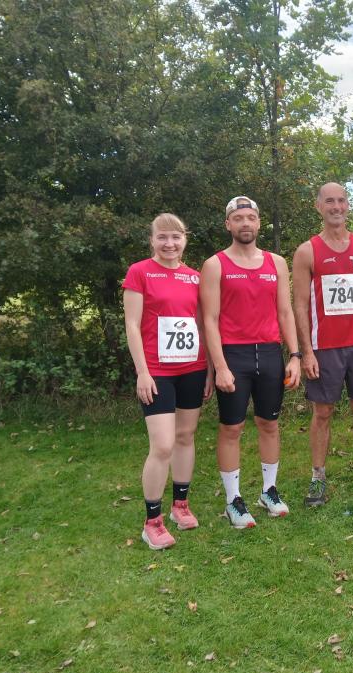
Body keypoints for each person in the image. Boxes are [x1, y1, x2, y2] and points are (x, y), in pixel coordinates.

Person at [200, 196, 301, 528]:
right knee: (232, 428)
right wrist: (221, 366)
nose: (246, 223)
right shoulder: (216, 264)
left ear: (259, 223)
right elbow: (210, 319)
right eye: (238, 218)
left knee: (269, 424)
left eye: (251, 217)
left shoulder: (276, 262)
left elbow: (285, 312)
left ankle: (268, 491)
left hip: (270, 353)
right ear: (228, 224)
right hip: (234, 355)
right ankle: (233, 500)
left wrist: (295, 355)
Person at [293, 182, 353, 506]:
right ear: (318, 206)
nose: (336, 206)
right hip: (325, 347)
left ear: (348, 206)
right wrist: (306, 351)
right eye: (329, 201)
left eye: (341, 201)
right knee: (322, 412)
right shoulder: (307, 251)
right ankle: (317, 478)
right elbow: (299, 305)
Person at [123, 213, 213, 550]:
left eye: (175, 237)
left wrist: (209, 370)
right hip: (157, 370)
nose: (169, 244)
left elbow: (203, 325)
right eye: (162, 237)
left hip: (191, 367)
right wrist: (142, 371)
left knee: (185, 436)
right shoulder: (140, 272)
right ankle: (152, 521)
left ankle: (180, 506)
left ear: (184, 240)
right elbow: (132, 325)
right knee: (162, 445)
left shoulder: (194, 277)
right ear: (152, 240)